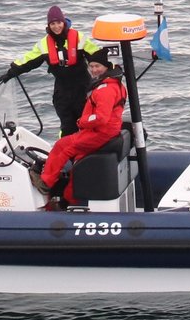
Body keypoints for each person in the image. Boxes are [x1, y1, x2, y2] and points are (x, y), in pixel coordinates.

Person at [39, 46, 127, 209]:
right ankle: (70, 201)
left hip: (100, 133)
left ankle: (45, 182)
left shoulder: (105, 90)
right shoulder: (115, 84)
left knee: (63, 146)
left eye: (97, 67)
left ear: (105, 68)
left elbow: (100, 117)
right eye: (91, 66)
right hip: (106, 132)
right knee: (78, 159)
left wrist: (82, 122)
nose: (94, 70)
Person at [0, 4, 102, 136]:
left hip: (83, 88)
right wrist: (10, 73)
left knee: (86, 122)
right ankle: (68, 153)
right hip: (62, 91)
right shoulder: (44, 44)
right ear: (49, 25)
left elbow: (96, 56)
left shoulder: (78, 38)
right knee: (67, 126)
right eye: (52, 23)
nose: (56, 26)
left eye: (58, 22)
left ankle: (89, 151)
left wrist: (110, 70)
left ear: (63, 22)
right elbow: (28, 60)